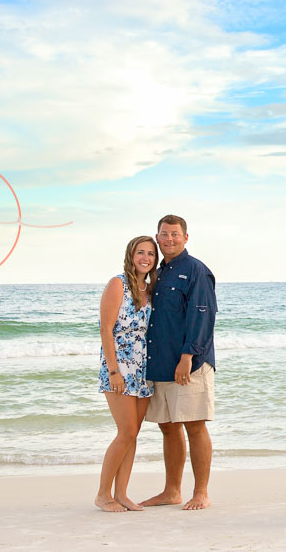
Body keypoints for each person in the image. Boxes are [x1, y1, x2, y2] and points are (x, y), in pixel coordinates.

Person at [140, 215, 218, 510]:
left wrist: (188, 356)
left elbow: (203, 315)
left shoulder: (196, 270)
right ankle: (172, 491)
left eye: (175, 234)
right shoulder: (158, 273)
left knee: (194, 426)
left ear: (186, 238)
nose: (169, 239)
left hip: (190, 364)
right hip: (160, 364)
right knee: (168, 426)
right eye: (164, 234)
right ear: (157, 238)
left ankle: (201, 493)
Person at [95, 236, 157, 512]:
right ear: (131, 255)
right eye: (140, 252)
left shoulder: (150, 288)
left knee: (134, 434)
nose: (145, 258)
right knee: (126, 431)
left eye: (150, 254)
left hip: (145, 369)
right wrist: (113, 372)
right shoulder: (117, 284)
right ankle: (102, 494)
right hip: (119, 366)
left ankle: (121, 493)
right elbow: (106, 329)